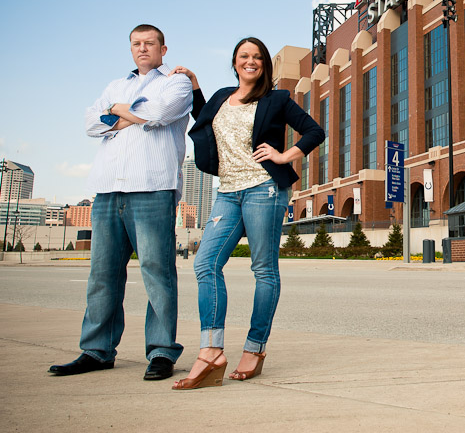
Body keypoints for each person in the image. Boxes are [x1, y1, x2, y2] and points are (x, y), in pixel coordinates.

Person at [170, 37, 324, 390]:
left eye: (257, 57)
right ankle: (211, 351)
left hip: (264, 189)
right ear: (235, 62)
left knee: (263, 269)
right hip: (227, 192)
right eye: (244, 56)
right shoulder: (223, 96)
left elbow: (315, 131)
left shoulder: (277, 99)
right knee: (205, 264)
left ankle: (255, 349)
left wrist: (285, 156)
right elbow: (204, 118)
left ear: (264, 64)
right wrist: (195, 86)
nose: (250, 61)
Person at [49, 24, 193, 381]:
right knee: (102, 275)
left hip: (152, 189)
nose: (142, 49)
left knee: (157, 273)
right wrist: (128, 112)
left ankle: (161, 351)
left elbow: (159, 114)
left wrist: (117, 114)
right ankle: (96, 350)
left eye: (150, 43)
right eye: (136, 44)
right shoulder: (116, 86)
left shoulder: (176, 82)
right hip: (108, 190)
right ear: (131, 49)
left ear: (163, 48)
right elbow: (91, 124)